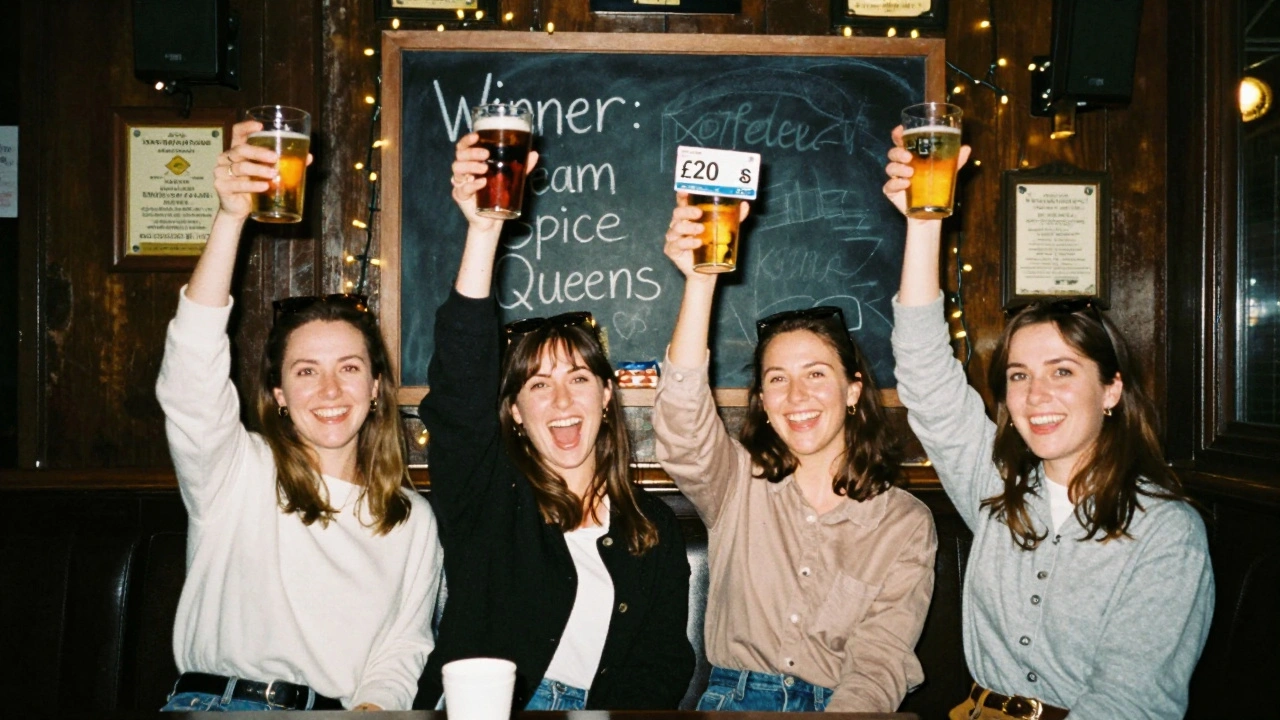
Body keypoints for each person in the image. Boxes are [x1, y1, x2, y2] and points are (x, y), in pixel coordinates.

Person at [883, 126, 1214, 720]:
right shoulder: (995, 485)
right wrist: (923, 221)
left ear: (1111, 388)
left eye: (1062, 371)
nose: (1036, 395)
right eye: (1017, 375)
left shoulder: (1167, 531)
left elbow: (1130, 703)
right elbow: (926, 374)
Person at [155, 119, 443, 712]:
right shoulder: (238, 471)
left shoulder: (412, 520)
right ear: (279, 393)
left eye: (350, 368)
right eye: (306, 371)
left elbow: (402, 650)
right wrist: (231, 216)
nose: (330, 389)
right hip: (219, 706)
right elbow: (190, 374)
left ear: (378, 384)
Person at [415, 132, 695, 711]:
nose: (562, 400)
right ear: (514, 411)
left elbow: (663, 666)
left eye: (579, 378)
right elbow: (460, 389)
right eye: (538, 385)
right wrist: (484, 229)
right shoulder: (489, 495)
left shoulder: (654, 529)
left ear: (608, 395)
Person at [651, 193, 938, 712]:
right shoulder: (737, 483)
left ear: (853, 391)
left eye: (815, 375)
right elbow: (681, 426)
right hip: (733, 700)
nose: (796, 397)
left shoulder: (904, 522)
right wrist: (699, 282)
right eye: (777, 380)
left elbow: (879, 663)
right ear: (762, 400)